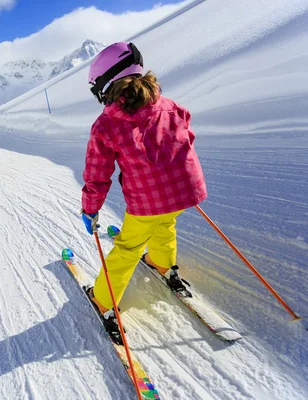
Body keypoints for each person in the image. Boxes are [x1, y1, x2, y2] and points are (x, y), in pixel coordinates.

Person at [80, 42, 207, 340]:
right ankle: (162, 264)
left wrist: (90, 208)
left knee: (127, 248)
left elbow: (97, 175)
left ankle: (103, 299)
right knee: (166, 223)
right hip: (185, 192)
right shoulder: (172, 105)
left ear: (106, 84)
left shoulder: (106, 124)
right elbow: (187, 137)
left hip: (147, 202)